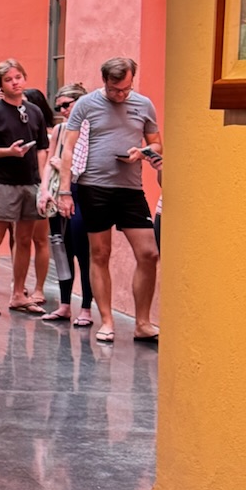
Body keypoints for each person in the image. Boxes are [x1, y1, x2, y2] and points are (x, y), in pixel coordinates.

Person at [55, 55, 161, 345]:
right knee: (100, 254)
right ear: (104, 81)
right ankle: (107, 321)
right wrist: (64, 191)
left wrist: (142, 152)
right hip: (94, 187)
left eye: (126, 88)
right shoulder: (86, 104)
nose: (121, 94)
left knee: (149, 253)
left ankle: (142, 323)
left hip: (130, 189)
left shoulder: (144, 104)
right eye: (115, 89)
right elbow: (68, 148)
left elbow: (156, 144)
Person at [0, 70, 54, 297]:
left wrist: (42, 182)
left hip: (30, 181)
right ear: (0, 85)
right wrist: (8, 151)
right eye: (8, 79)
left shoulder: (33, 111)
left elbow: (42, 147)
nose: (15, 83)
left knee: (25, 238)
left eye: (18, 78)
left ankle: (19, 291)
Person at [38, 83, 94, 325]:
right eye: (58, 107)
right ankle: (64, 305)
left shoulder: (91, 129)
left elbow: (84, 165)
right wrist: (43, 191)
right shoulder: (61, 129)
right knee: (61, 250)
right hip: (57, 193)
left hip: (81, 193)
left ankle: (86, 308)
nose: (62, 110)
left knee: (83, 251)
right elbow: (49, 162)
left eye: (66, 105)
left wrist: (64, 167)